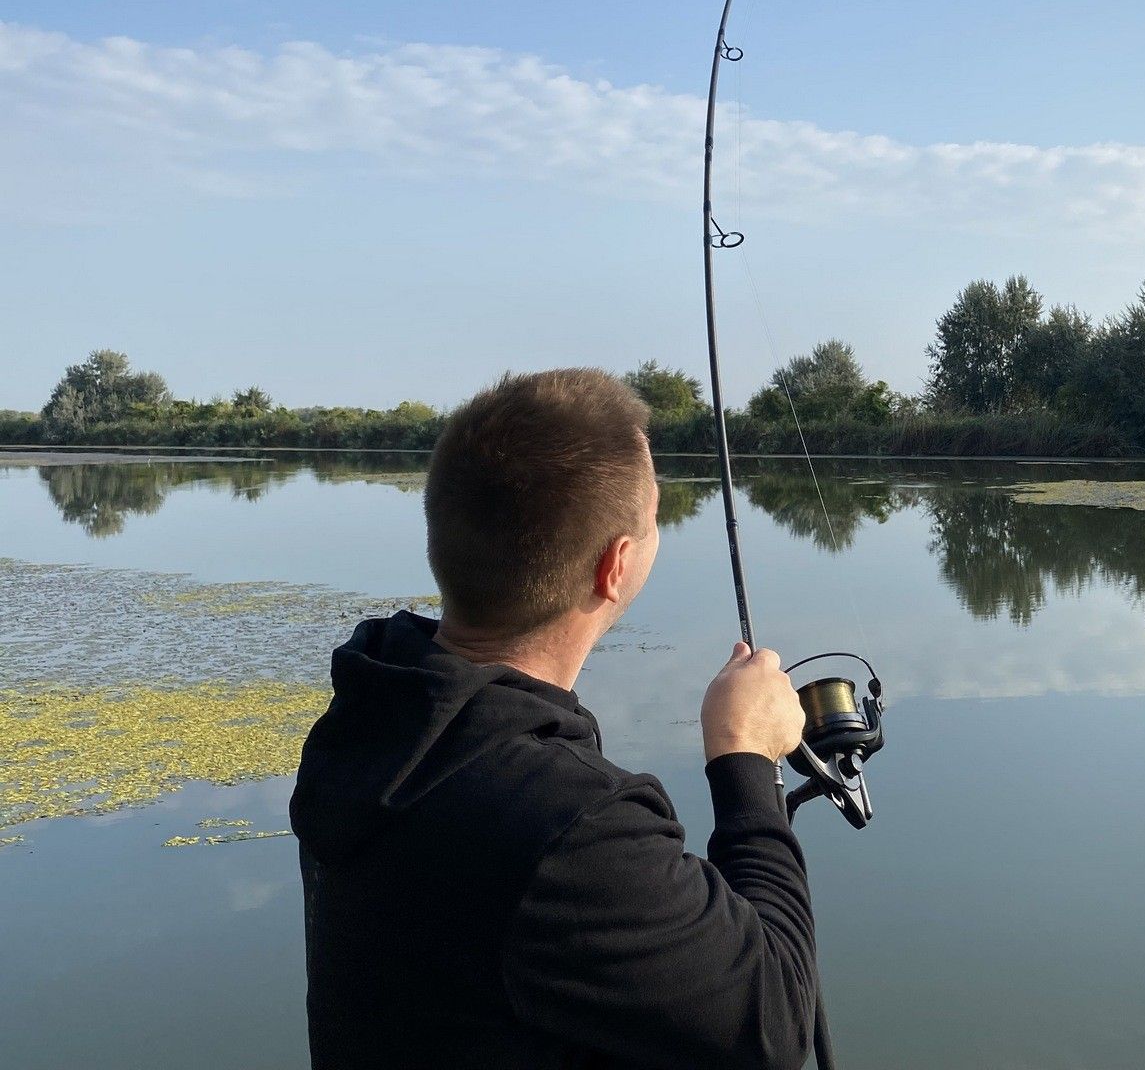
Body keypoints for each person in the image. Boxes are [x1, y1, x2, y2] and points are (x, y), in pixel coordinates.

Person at [291, 368, 815, 1069]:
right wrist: (745, 756)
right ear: (615, 566)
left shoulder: (368, 717)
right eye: (655, 519)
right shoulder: (570, 825)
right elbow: (771, 1025)